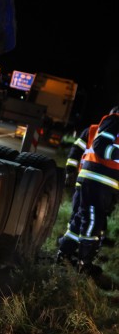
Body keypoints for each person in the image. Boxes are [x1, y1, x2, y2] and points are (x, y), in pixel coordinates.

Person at [56, 106, 119, 282]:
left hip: (101, 183)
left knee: (79, 221)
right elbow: (99, 147)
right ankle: (84, 264)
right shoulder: (114, 121)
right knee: (92, 222)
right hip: (96, 181)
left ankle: (64, 254)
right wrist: (70, 169)